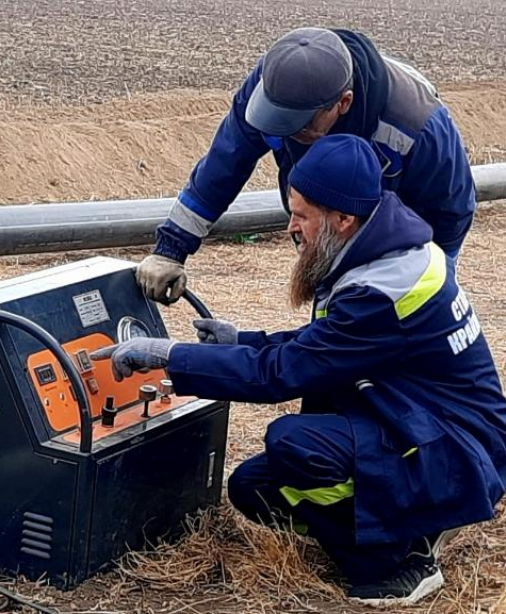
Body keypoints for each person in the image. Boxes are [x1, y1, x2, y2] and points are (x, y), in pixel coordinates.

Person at [93, 135, 506, 605]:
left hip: (455, 448)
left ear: (342, 218)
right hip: (419, 421)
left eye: (302, 215)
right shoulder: (377, 248)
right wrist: (241, 342)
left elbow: (282, 374)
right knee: (254, 489)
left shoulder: (383, 287)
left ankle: (402, 561)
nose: (292, 227)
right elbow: (329, 349)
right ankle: (408, 520)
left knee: (295, 445)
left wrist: (166, 354)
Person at [137, 27, 476, 305]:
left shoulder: (415, 126)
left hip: (401, 225)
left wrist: (427, 293)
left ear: (342, 103)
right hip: (330, 226)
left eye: (297, 125)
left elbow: (451, 211)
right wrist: (171, 248)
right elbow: (224, 164)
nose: (284, 132)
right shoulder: (274, 87)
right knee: (331, 308)